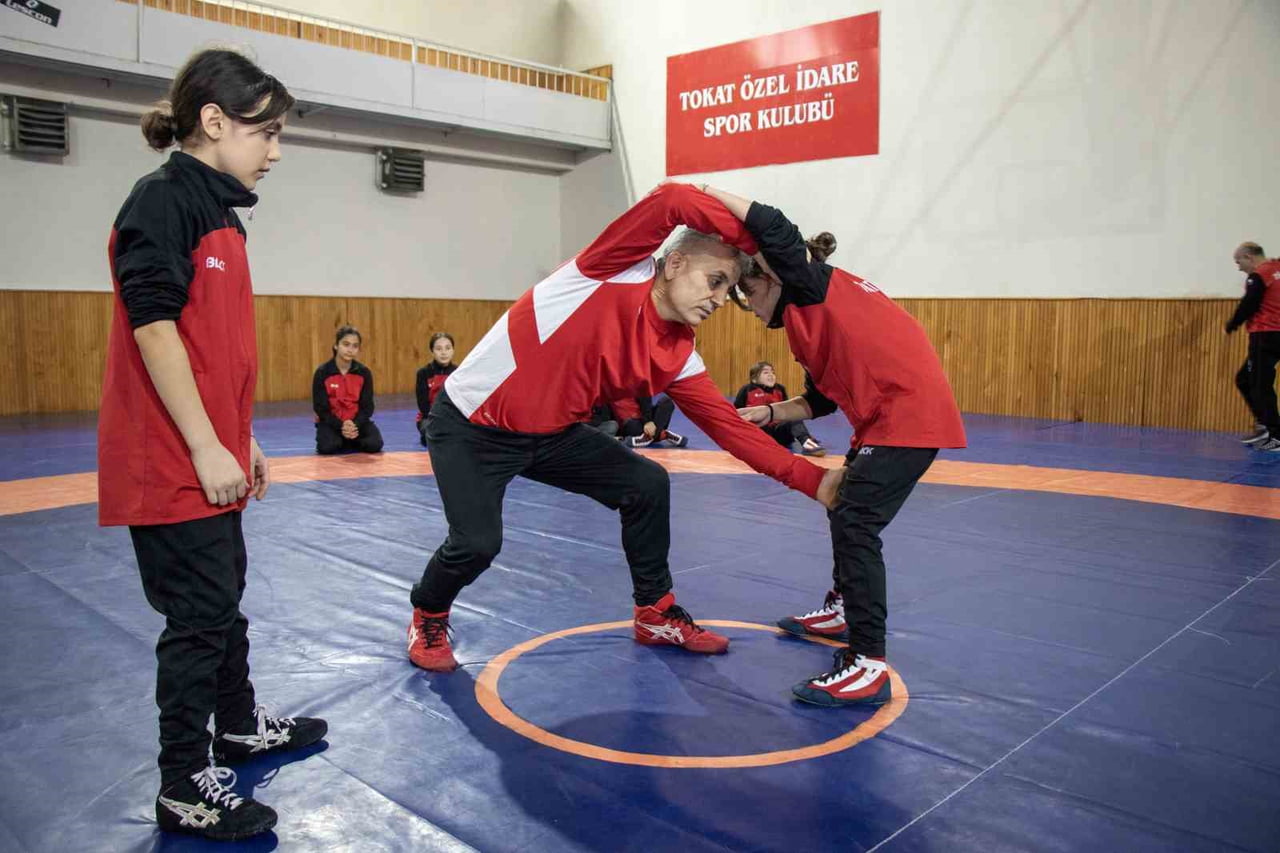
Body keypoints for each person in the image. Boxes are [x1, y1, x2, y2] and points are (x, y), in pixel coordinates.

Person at [406, 182, 841, 672]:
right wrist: (762, 241)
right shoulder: (607, 271)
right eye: (715, 280)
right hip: (472, 426)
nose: (720, 299)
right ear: (674, 264)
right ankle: (429, 610)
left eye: (728, 288)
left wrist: (815, 481)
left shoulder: (678, 352)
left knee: (646, 483)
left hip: (551, 435)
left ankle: (654, 612)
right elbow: (673, 199)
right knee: (477, 544)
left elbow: (731, 429)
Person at [98, 48, 326, 841]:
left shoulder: (224, 211)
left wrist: (243, 436)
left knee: (222, 600)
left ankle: (236, 725)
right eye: (265, 131)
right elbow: (154, 326)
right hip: (168, 460)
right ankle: (182, 782)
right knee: (197, 618)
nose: (275, 149)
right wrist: (203, 446)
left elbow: (214, 345)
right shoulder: (162, 201)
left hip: (212, 453)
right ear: (214, 121)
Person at [703, 184, 967, 707]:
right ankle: (845, 607)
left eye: (748, 294)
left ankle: (868, 660)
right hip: (888, 419)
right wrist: (772, 412)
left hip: (906, 416)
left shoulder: (808, 284)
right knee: (840, 503)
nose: (750, 309)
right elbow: (822, 398)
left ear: (772, 277)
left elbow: (772, 223)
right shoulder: (812, 314)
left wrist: (696, 192)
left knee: (855, 520)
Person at [1226, 242, 1280, 451]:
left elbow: (1249, 303)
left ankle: (1275, 433)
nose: (1238, 267)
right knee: (1245, 379)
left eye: (1238, 262)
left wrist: (1231, 325)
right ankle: (1265, 424)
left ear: (1249, 257)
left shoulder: (1259, 275)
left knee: (1259, 385)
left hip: (1264, 335)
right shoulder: (1276, 268)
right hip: (1275, 335)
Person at [313, 325, 384, 454]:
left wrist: (354, 424)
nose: (350, 350)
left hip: (357, 423)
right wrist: (341, 426)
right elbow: (320, 408)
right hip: (332, 423)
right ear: (336, 345)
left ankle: (349, 439)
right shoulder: (322, 372)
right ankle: (345, 439)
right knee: (327, 447)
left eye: (355, 346)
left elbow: (367, 407)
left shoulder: (364, 373)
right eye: (346, 344)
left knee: (375, 444)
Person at [733, 361, 825, 455]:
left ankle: (807, 442)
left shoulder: (780, 389)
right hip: (758, 432)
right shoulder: (746, 390)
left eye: (773, 372)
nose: (771, 375)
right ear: (754, 379)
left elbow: (788, 412)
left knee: (793, 416)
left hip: (778, 432)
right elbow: (736, 413)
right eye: (766, 372)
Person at [416, 332, 457, 447]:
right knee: (428, 436)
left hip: (452, 417)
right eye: (439, 349)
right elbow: (423, 405)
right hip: (429, 417)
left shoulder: (458, 373)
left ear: (453, 350)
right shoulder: (423, 373)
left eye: (448, 348)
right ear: (432, 351)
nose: (443, 352)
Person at [613, 394, 689, 448]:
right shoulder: (607, 389)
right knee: (630, 424)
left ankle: (647, 438)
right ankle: (661, 435)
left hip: (647, 421)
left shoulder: (635, 382)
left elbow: (646, 404)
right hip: (631, 425)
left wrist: (648, 421)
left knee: (667, 402)